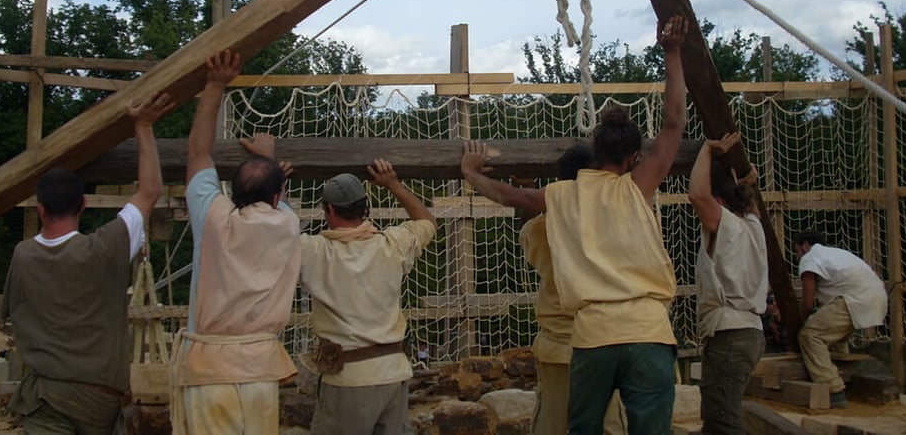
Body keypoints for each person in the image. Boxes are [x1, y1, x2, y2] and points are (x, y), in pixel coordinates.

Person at [462, 15, 688, 435]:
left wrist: (471, 173)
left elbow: (513, 197)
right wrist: (672, 53)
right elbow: (675, 122)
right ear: (633, 159)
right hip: (648, 329)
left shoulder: (560, 196)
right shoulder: (637, 186)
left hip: (592, 335)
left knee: (580, 428)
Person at [2, 91, 173, 434]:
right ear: (82, 205)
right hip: (98, 399)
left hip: (44, 395)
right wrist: (143, 125)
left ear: (40, 209)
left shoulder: (22, 256)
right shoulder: (106, 249)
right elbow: (150, 191)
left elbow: (9, 316)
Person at [170, 50, 302, 435]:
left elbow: (197, 151)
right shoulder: (288, 224)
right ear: (278, 195)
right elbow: (278, 202)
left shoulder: (214, 218)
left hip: (209, 369)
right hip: (261, 368)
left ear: (230, 190)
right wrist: (269, 159)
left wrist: (214, 85)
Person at [460, 142, 628, 435]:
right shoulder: (617, 219)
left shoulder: (543, 228)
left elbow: (529, 225)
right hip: (606, 341)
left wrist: (471, 172)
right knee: (610, 424)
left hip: (560, 348)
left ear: (561, 182)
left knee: (551, 422)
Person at [300, 159, 437, 434]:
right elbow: (427, 221)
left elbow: (267, 235)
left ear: (328, 210)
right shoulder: (392, 244)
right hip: (393, 373)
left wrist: (271, 175)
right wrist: (393, 184)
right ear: (366, 208)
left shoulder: (311, 251)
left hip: (347, 380)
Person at [687, 132, 768, 434]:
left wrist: (707, 150)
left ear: (719, 202)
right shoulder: (753, 225)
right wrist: (747, 186)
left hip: (730, 334)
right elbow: (749, 205)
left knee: (723, 423)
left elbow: (697, 195)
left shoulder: (727, 224)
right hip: (749, 332)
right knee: (716, 417)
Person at [792, 230, 888, 409]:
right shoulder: (836, 254)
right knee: (834, 338)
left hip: (855, 299)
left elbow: (808, 302)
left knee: (810, 335)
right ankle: (845, 378)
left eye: (797, 250)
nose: (797, 256)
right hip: (877, 296)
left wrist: (800, 321)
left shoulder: (810, 257)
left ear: (805, 245)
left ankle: (833, 390)